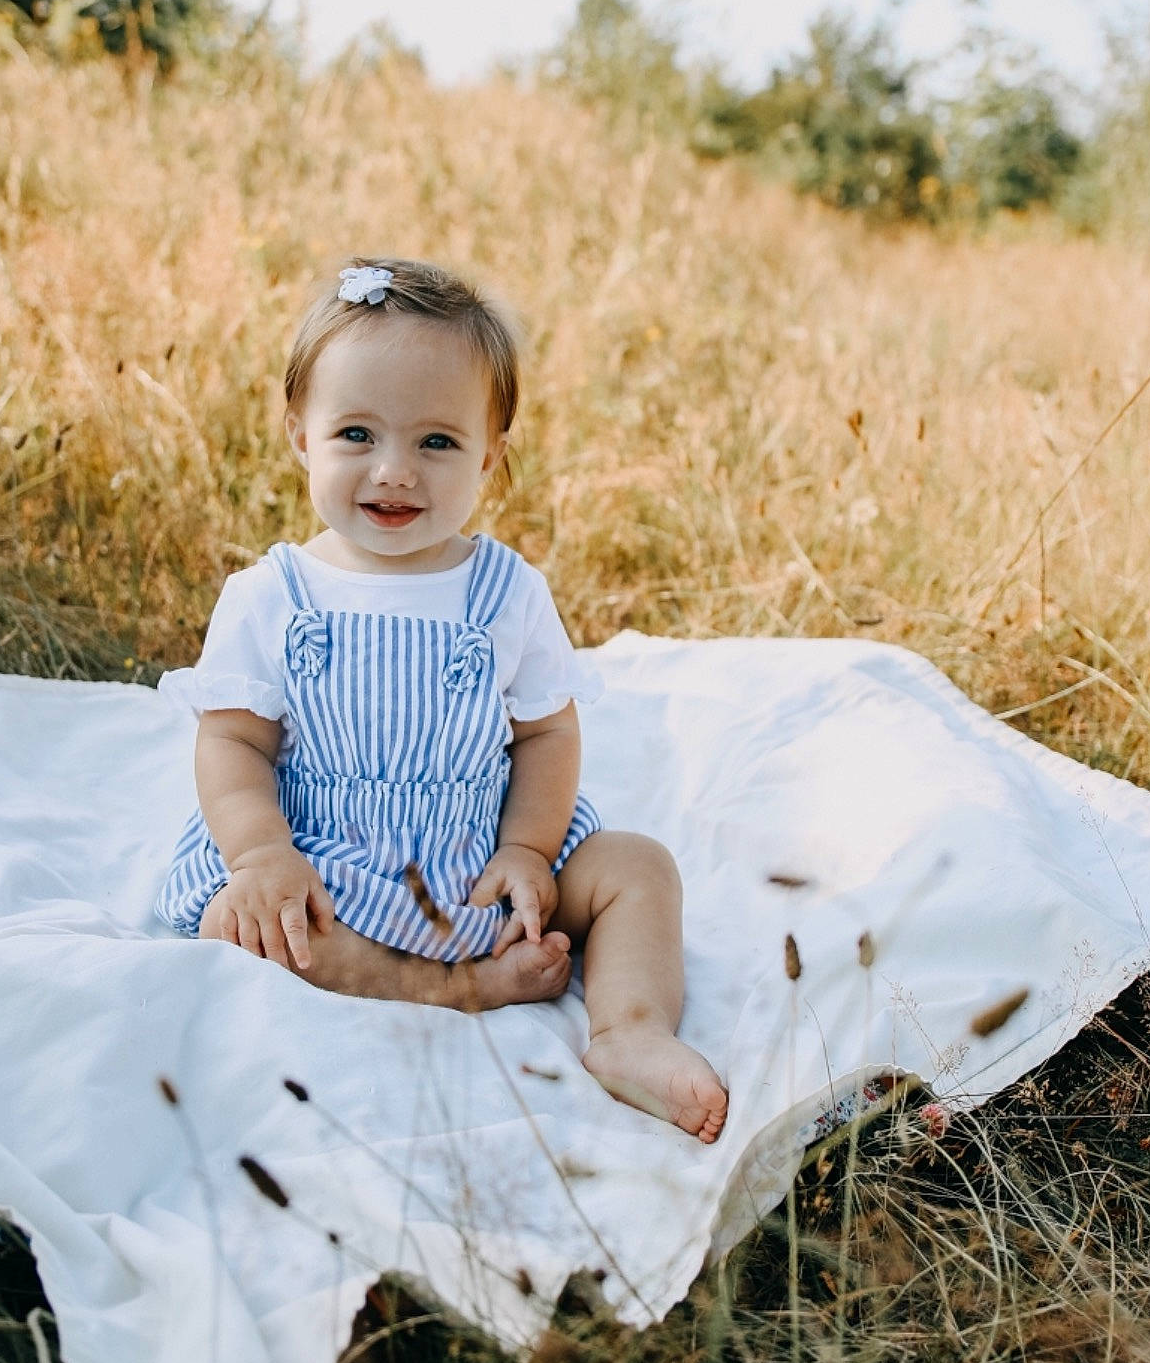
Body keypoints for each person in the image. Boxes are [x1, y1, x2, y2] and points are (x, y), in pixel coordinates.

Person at [156, 258, 727, 1143]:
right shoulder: (272, 593)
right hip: (330, 857)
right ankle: (453, 989)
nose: (394, 471)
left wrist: (530, 850)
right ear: (298, 437)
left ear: (488, 457)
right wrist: (263, 853)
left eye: (436, 442)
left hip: (483, 852)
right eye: (356, 434)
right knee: (247, 927)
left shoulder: (505, 591)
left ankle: (628, 1032)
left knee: (638, 867)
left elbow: (543, 735)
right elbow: (232, 743)